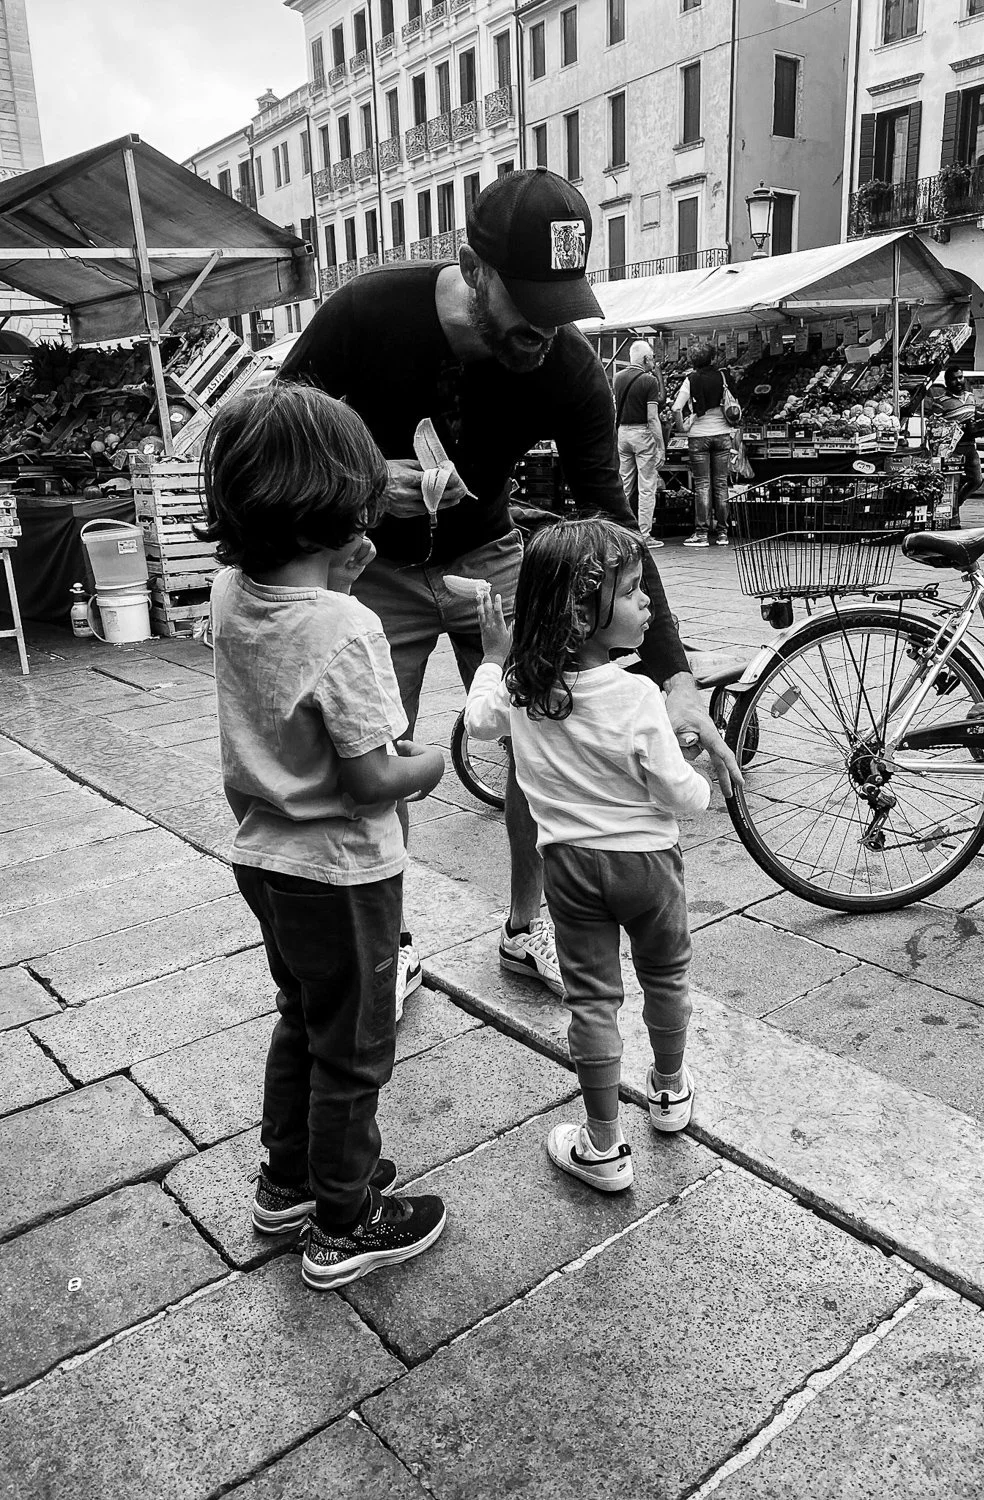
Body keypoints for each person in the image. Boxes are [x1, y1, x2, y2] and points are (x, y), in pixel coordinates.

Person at [280, 167, 740, 1002]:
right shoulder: (369, 310)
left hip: (489, 556)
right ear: (473, 267)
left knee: (540, 739)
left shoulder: (564, 367)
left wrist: (673, 679)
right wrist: (359, 480)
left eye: (562, 304)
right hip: (370, 565)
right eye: (529, 302)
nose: (546, 327)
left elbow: (615, 525)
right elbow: (277, 426)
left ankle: (528, 928)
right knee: (375, 756)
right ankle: (392, 945)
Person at [199, 383, 447, 1290]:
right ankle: (346, 1219)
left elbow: (284, 640)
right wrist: (433, 764)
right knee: (355, 1043)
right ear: (340, 507)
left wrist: (332, 576)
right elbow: (374, 777)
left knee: (303, 1019)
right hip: (342, 872)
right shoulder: (348, 625)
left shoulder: (231, 593)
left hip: (264, 861)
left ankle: (288, 1179)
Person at [464, 518, 711, 1192]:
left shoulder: (522, 690)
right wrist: (698, 778)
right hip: (649, 870)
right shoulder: (636, 698)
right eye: (633, 593)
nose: (647, 603)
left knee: (593, 1004)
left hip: (570, 872)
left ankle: (602, 1146)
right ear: (581, 612)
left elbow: (478, 719)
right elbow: (680, 796)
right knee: (665, 979)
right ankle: (668, 1092)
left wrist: (491, 656)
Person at [671, 344, 735, 547]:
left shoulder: (691, 379)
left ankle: (701, 534)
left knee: (702, 485)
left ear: (692, 361)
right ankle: (723, 533)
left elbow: (676, 408)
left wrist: (683, 427)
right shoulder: (723, 376)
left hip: (698, 436)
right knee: (721, 484)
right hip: (723, 434)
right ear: (712, 358)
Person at [614, 339, 665, 548]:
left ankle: (620, 531)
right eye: (652, 357)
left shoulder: (617, 378)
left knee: (624, 484)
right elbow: (653, 418)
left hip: (623, 433)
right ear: (645, 358)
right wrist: (661, 446)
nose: (653, 361)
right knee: (646, 486)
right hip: (643, 434)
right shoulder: (649, 380)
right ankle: (644, 535)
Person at [926, 365, 982, 521]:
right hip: (952, 450)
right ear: (947, 382)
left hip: (970, 446)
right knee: (953, 485)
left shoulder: (971, 397)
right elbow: (934, 426)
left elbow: (974, 414)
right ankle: (953, 516)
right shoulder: (940, 402)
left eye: (960, 377)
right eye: (954, 379)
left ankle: (958, 503)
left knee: (977, 480)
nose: (958, 381)